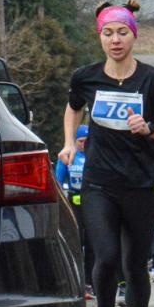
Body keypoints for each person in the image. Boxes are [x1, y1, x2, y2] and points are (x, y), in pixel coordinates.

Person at [59, 0, 154, 307]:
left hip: (141, 185)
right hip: (99, 184)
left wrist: (149, 128)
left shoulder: (152, 80)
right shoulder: (86, 77)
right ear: (100, 38)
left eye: (122, 33)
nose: (115, 40)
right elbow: (73, 107)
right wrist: (67, 142)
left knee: (135, 268)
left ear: (134, 35)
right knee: (107, 257)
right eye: (108, 34)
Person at [53, 123, 95, 295]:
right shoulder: (70, 155)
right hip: (73, 202)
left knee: (93, 244)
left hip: (93, 202)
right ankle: (78, 283)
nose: (83, 144)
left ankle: (90, 282)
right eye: (80, 141)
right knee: (77, 242)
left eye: (87, 140)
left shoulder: (96, 155)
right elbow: (58, 179)